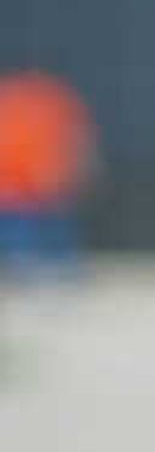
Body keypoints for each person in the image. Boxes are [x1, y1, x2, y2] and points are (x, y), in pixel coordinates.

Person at [0, 66, 96, 287]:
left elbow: (74, 143)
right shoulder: (22, 104)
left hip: (44, 189)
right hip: (16, 192)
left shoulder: (51, 103)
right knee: (21, 236)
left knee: (51, 237)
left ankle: (55, 272)